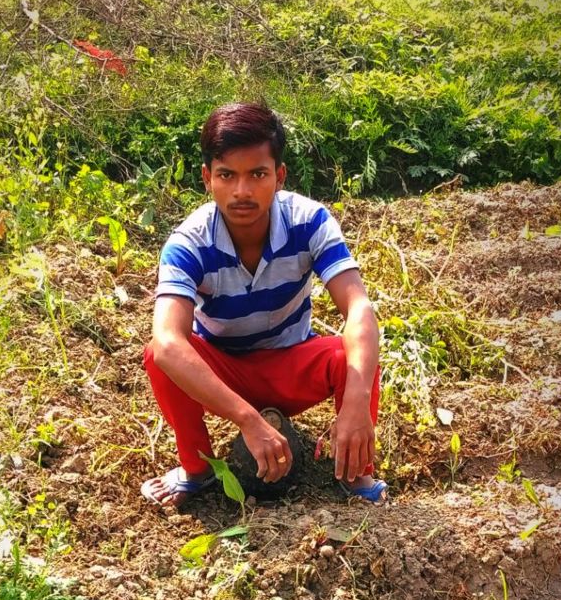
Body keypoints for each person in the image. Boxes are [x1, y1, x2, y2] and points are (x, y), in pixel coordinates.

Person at [142, 102, 387, 508]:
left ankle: (355, 473)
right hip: (223, 374)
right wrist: (246, 419)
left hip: (291, 365)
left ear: (280, 176)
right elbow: (168, 342)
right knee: (159, 354)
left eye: (257, 174)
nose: (242, 191)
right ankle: (198, 470)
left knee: (353, 356)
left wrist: (357, 402)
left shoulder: (309, 221)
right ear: (207, 179)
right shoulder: (189, 242)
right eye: (227, 175)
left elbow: (358, 307)